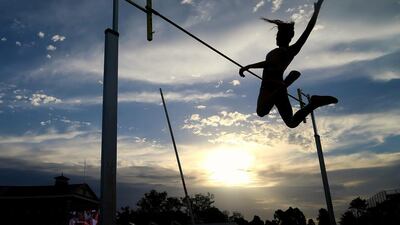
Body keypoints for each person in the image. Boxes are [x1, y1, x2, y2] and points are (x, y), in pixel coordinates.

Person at [239, 0, 337, 128]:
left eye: (279, 35)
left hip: (270, 86)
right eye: (277, 35)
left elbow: (308, 30)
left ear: (287, 37)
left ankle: (284, 86)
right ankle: (314, 103)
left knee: (261, 111)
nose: (277, 38)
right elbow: (269, 63)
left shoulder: (289, 50)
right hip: (275, 87)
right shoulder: (280, 51)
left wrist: (316, 11)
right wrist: (249, 66)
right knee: (291, 123)